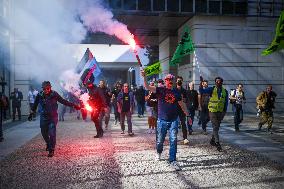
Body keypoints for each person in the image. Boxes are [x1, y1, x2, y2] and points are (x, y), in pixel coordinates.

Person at [141, 70, 189, 171]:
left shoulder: (177, 92)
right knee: (160, 140)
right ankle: (159, 152)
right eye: (168, 79)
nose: (170, 81)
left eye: (171, 79)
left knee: (173, 139)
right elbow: (147, 87)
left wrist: (188, 115)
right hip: (161, 120)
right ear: (165, 81)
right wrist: (144, 77)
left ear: (174, 81)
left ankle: (173, 160)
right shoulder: (160, 90)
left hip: (173, 120)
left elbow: (181, 104)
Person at [29, 81, 80, 157]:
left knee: (52, 133)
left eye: (48, 88)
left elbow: (63, 101)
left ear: (50, 88)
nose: (46, 90)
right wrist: (31, 113)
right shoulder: (39, 95)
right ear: (42, 89)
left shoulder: (54, 94)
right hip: (43, 117)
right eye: (44, 89)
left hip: (53, 117)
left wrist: (73, 105)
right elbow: (35, 104)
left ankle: (51, 149)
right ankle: (48, 143)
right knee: (44, 133)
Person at [199, 76, 228, 152]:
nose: (218, 82)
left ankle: (212, 140)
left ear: (222, 82)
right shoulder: (211, 89)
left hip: (221, 112)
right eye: (217, 81)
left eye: (219, 81)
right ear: (215, 82)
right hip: (212, 111)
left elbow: (226, 103)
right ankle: (217, 143)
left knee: (217, 127)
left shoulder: (225, 91)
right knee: (215, 127)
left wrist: (224, 112)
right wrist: (201, 83)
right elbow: (201, 91)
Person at [175, 76, 189, 144]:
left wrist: (184, 100)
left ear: (182, 82)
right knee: (174, 124)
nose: (179, 82)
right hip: (175, 109)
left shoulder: (184, 91)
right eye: (178, 80)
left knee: (183, 123)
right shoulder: (173, 90)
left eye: (180, 80)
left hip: (182, 109)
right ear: (176, 82)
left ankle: (185, 138)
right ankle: (174, 137)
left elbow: (186, 100)